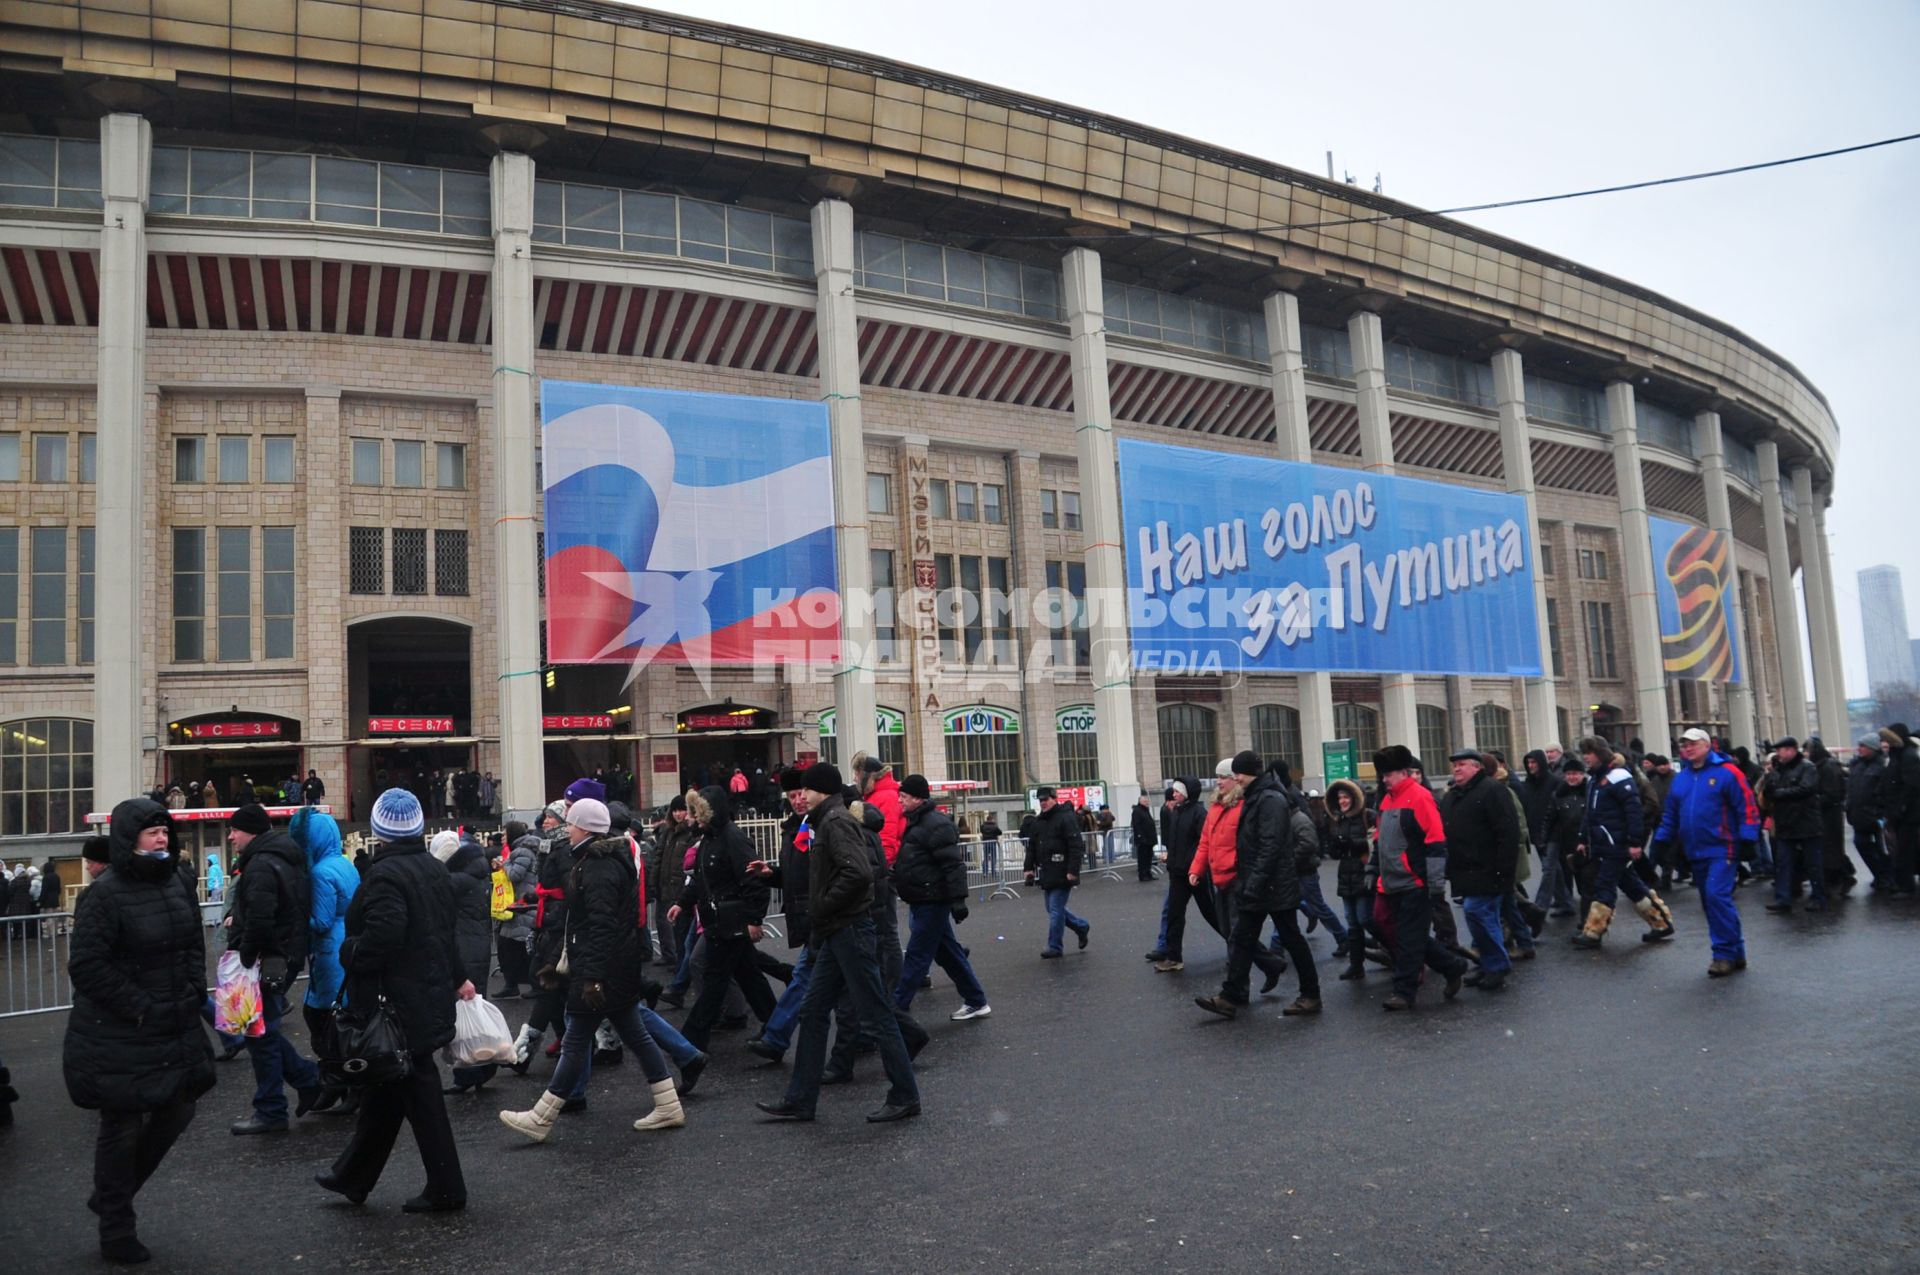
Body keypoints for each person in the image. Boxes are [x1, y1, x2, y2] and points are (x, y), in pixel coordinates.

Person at [63, 798, 216, 1264]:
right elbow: (87, 965)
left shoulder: (176, 882)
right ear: (129, 838)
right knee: (123, 1125)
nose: (162, 837)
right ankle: (116, 1228)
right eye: (152, 831)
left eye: (165, 830)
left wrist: (193, 988)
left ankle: (114, 1191)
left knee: (179, 1110)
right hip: (120, 1030)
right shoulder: (103, 894)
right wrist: (139, 1005)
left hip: (173, 1021)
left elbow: (192, 941)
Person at [315, 788, 468, 1211]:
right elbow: (442, 932)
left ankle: (447, 1187)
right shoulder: (432, 868)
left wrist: (350, 952)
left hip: (398, 1004)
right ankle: (353, 1177)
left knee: (416, 1090)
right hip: (425, 995)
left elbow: (383, 938)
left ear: (379, 830)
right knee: (387, 1088)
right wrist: (457, 978)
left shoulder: (385, 875)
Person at [499, 798, 686, 1142]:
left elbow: (599, 926)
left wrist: (592, 976)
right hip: (614, 967)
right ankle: (668, 1104)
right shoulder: (599, 859)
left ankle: (542, 1117)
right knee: (633, 1036)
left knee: (576, 1041)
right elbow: (583, 923)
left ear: (585, 827)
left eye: (570, 823)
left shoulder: (597, 866)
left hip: (601, 970)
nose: (565, 829)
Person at [755, 763, 920, 1124]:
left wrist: (822, 905)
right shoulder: (825, 821)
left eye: (807, 790)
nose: (801, 795)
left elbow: (858, 873)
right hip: (836, 931)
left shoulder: (836, 822)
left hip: (849, 930)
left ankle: (905, 1094)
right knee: (813, 1012)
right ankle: (801, 1098)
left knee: (876, 1014)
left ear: (821, 791)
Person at [1195, 752, 1321, 1019]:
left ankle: (1311, 995)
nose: (1235, 778)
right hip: (1259, 882)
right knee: (1242, 938)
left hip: (1272, 884)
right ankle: (1230, 996)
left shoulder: (1270, 799)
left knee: (1291, 938)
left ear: (1251, 773)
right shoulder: (1256, 797)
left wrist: (1253, 882)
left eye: (1238, 773)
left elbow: (1270, 846)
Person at [224, 803, 323, 1134]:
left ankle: (272, 1108)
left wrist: (246, 956)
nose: (230, 836)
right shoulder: (282, 858)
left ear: (250, 831)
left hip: (268, 959)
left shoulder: (262, 865)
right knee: (260, 1030)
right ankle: (307, 1080)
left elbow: (261, 918)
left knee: (259, 1033)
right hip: (283, 956)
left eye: (235, 829)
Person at [671, 786, 777, 1051]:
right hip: (719, 923)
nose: (691, 818)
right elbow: (701, 881)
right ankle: (778, 1029)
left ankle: (689, 1046)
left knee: (714, 982)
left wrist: (754, 919)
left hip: (730, 924)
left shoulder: (732, 838)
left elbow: (754, 879)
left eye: (696, 812)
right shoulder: (709, 839)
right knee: (750, 977)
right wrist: (681, 903)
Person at [1650, 728, 1760, 977]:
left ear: (1707, 745)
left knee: (1716, 896)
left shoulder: (1727, 773)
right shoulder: (1683, 778)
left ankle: (1722, 954)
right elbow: (1671, 814)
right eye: (1684, 745)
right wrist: (1660, 842)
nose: (1688, 749)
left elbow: (1747, 806)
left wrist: (1748, 838)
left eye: (1692, 744)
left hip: (1723, 846)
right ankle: (1736, 950)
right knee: (1711, 902)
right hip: (1695, 850)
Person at [1369, 745, 1469, 1011]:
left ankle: (1404, 991)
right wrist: (1373, 870)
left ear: (1404, 773)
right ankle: (1454, 966)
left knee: (1410, 939)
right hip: (1392, 882)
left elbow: (1436, 842)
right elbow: (1380, 841)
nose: (1384, 779)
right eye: (1383, 775)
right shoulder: (1386, 799)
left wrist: (1435, 885)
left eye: (1388, 774)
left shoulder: (1421, 797)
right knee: (1403, 933)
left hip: (1415, 882)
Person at [891, 775, 989, 1020]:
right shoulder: (919, 822)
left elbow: (953, 865)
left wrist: (958, 900)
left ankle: (896, 1007)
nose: (900, 801)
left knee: (917, 954)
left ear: (916, 798)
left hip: (932, 898)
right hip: (925, 896)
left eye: (903, 797)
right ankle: (976, 1001)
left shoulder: (935, 824)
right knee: (948, 954)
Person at [1569, 737, 1675, 948]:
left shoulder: (1619, 777)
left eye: (1589, 753)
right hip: (1605, 843)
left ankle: (1593, 932)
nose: (1586, 758)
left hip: (1616, 844)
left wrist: (1634, 842)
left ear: (1599, 753)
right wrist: (1583, 838)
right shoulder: (1595, 780)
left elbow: (1633, 812)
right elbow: (1589, 814)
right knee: (1631, 885)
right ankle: (1661, 923)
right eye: (1585, 754)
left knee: (1605, 886)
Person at [746, 769, 817, 1063]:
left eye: (801, 794)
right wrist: (771, 874)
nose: (797, 800)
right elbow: (795, 876)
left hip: (822, 915)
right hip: (810, 913)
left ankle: (776, 1037)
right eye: (791, 796)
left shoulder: (819, 825)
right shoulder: (793, 828)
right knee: (853, 984)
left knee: (804, 978)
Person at [291, 807, 358, 1116]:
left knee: (323, 1018)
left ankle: (339, 1082)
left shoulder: (319, 872)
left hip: (330, 950)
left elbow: (320, 920)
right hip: (347, 944)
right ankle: (344, 1084)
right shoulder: (344, 864)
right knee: (340, 1017)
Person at [1438, 751, 1520, 993]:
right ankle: (1488, 963)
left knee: (1479, 913)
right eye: (1454, 765)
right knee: (1479, 918)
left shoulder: (1492, 791)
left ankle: (1497, 965)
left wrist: (1504, 871)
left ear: (1476, 767)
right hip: (1465, 871)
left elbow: (1508, 833)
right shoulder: (1454, 795)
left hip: (1488, 869)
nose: (1456, 769)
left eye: (1462, 765)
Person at [432, 830, 498, 1094]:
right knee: (474, 1008)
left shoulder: (456, 880)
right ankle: (481, 1067)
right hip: (478, 946)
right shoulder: (477, 876)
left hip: (463, 947)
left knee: (463, 1012)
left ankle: (470, 1070)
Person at [1760, 737, 1826, 913]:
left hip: (1806, 822)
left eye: (1780, 750)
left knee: (1813, 864)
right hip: (1785, 823)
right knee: (1783, 864)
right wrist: (1768, 781)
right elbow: (1768, 792)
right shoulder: (1778, 769)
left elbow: (1806, 789)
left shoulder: (1807, 767)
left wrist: (1779, 794)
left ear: (1791, 750)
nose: (1778, 754)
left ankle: (1818, 897)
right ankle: (1783, 899)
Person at [1144, 779, 1205, 965]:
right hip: (1178, 872)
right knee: (1173, 914)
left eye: (1178, 792)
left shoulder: (1199, 813)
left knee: (1214, 915)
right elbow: (1176, 842)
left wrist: (1194, 866)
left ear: (1187, 793)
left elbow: (1203, 844)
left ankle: (1245, 951)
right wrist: (1171, 858)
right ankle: (1172, 955)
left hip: (1195, 873)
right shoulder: (1176, 812)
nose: (1174, 794)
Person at [1024, 786, 1090, 958]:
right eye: (1041, 800)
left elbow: (1075, 846)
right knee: (1053, 909)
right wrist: (1028, 868)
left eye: (1046, 799)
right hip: (1048, 871)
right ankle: (1081, 926)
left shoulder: (1066, 818)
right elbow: (1031, 847)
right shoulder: (1040, 821)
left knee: (1055, 909)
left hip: (1062, 871)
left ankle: (1055, 946)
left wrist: (1072, 870)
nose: (1043, 803)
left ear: (1054, 799)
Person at [1324, 779, 1380, 981]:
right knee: (1353, 922)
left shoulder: (1368, 816)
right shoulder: (1339, 820)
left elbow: (1374, 843)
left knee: (1365, 918)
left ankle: (1389, 946)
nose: (1342, 801)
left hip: (1364, 872)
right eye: (1339, 798)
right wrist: (1335, 846)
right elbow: (1335, 853)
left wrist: (1350, 843)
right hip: (1346, 874)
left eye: (1346, 797)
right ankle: (1356, 965)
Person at [647, 796, 697, 968]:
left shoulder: (690, 833)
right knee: (667, 923)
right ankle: (672, 957)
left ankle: (682, 963)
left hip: (680, 887)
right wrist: (654, 883)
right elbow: (658, 857)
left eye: (681, 810)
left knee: (682, 928)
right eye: (675, 810)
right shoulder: (668, 831)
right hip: (665, 884)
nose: (678, 814)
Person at [1808, 738, 1854, 896]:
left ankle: (1842, 877)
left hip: (1829, 815)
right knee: (1830, 849)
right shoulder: (1822, 765)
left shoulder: (1828, 766)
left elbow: (1832, 793)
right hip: (1825, 813)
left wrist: (1813, 801)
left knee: (1831, 849)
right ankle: (1841, 876)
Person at [1846, 736, 1893, 892]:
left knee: (1881, 848)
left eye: (1863, 746)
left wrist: (1879, 812)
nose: (1859, 748)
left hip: (1874, 816)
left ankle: (1885, 877)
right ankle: (1880, 875)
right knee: (1862, 844)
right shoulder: (1857, 766)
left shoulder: (1882, 766)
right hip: (1859, 815)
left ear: (1872, 748)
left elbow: (1885, 792)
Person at [1880, 725, 1920, 895]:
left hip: (1908, 813)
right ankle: (1904, 883)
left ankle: (1906, 885)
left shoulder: (1906, 756)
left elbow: (1911, 786)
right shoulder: (1900, 755)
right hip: (1901, 812)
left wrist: (1900, 808)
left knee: (1905, 850)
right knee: (1902, 849)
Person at [1130, 794, 1157, 883]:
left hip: (1149, 839)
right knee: (1142, 858)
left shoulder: (1145, 810)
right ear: (1140, 801)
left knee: (1148, 857)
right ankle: (1143, 875)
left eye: (1147, 801)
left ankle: (1148, 874)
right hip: (1143, 840)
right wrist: (1140, 836)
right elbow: (1136, 825)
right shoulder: (1137, 811)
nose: (1147, 802)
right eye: (1145, 801)